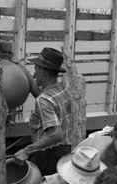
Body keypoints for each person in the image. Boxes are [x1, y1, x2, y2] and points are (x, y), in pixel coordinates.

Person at [14, 47, 73, 176]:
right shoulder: (62, 90)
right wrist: (23, 70)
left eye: (35, 70)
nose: (34, 74)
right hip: (67, 151)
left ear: (43, 72)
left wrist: (27, 150)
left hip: (50, 155)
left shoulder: (44, 100)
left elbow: (56, 135)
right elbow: (44, 98)